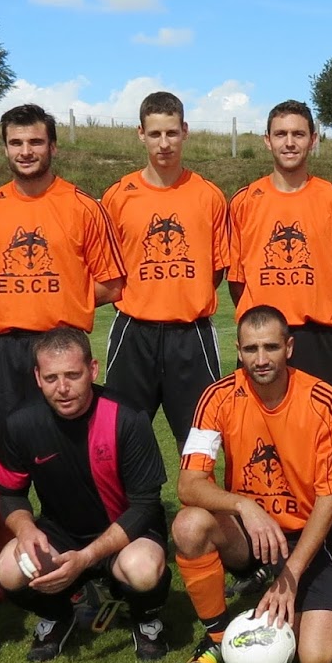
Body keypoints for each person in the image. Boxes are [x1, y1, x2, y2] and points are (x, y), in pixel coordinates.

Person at [172, 305, 332, 663]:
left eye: (270, 347)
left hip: (308, 535)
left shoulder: (323, 401)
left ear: (288, 347)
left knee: (316, 656)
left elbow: (330, 497)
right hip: (249, 533)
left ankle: (290, 587)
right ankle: (218, 634)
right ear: (238, 351)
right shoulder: (217, 397)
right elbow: (188, 485)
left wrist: (291, 574)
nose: (261, 359)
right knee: (189, 525)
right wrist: (244, 505)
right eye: (251, 349)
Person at [0, 326, 172, 663]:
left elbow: (145, 505)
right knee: (9, 570)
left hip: (129, 531)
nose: (62, 388)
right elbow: (9, 493)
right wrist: (27, 530)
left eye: (73, 375)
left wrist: (86, 558)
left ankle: (147, 620)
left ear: (92, 370)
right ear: (37, 376)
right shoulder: (21, 424)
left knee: (143, 570)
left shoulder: (128, 417)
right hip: (62, 532)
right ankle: (60, 616)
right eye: (51, 377)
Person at [0, 102, 125, 467]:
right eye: (16, 142)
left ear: (53, 146)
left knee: (70, 452)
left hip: (59, 346)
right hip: (0, 352)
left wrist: (62, 302)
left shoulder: (83, 206)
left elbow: (112, 285)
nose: (25, 151)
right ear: (4, 147)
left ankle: (80, 525)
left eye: (35, 142)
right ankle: (3, 524)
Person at [99, 91, 228, 449]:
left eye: (171, 132)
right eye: (155, 134)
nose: (164, 143)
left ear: (185, 131)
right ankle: (137, 507)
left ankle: (204, 507)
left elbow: (214, 270)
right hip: (134, 333)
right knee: (121, 437)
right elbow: (106, 267)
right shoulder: (117, 196)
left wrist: (182, 296)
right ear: (141, 133)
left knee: (201, 440)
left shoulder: (209, 196)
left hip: (191, 335)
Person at [227, 100, 332, 395]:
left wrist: (324, 319)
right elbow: (237, 281)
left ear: (313, 140)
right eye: (280, 134)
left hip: (318, 338)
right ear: (267, 140)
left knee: (321, 433)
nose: (289, 143)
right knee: (258, 434)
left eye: (298, 134)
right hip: (261, 340)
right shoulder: (245, 201)